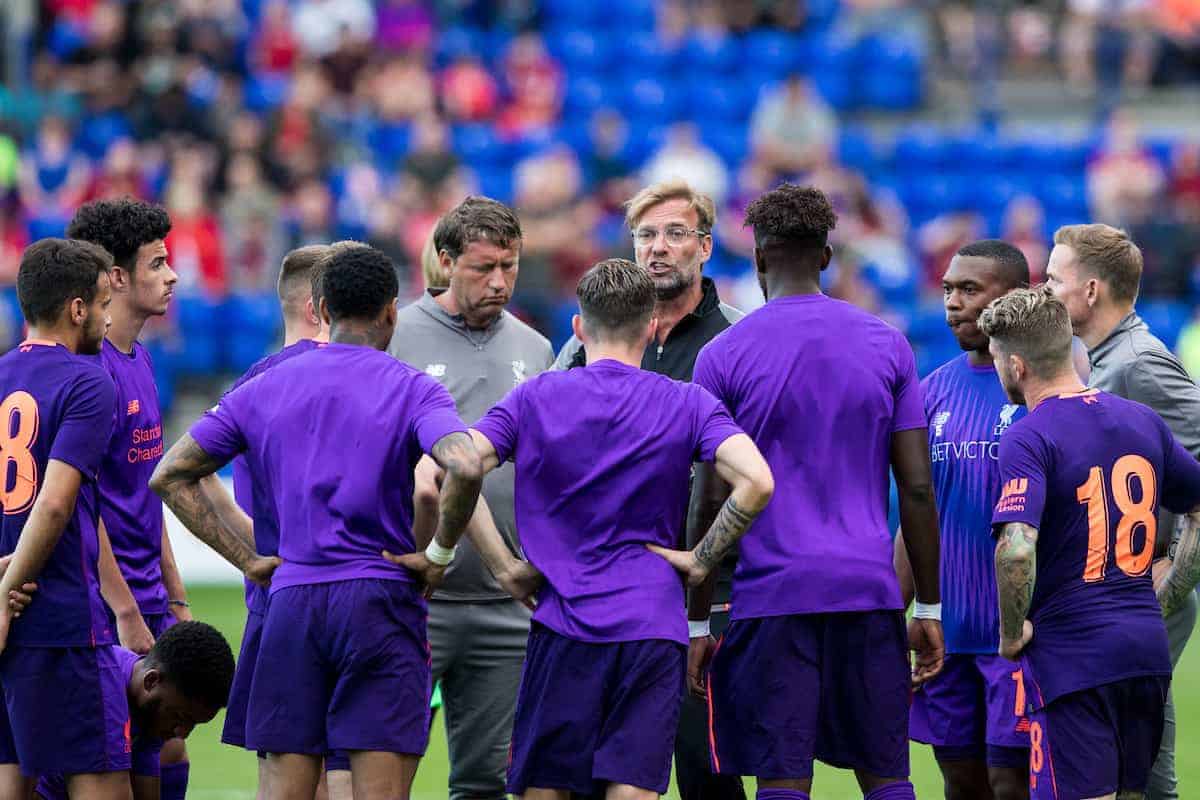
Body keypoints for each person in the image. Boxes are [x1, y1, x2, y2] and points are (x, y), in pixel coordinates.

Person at [150, 244, 484, 800]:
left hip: (292, 601)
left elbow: (170, 474)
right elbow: (466, 464)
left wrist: (249, 561)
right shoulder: (413, 387)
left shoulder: (263, 386)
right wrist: (438, 556)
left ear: (321, 309)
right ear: (392, 312)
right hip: (380, 601)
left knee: (283, 788)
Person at [467, 258, 774, 799]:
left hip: (563, 623)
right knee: (632, 791)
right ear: (652, 326)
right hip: (652, 626)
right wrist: (701, 558)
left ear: (579, 329)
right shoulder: (687, 401)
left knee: (546, 788)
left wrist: (504, 566)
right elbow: (757, 481)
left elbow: (460, 467)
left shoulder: (535, 397)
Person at [692, 184, 944, 800]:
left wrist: (696, 620)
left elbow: (704, 502)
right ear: (827, 256)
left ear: (757, 259)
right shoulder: (887, 342)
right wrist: (930, 609)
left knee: (783, 774)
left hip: (771, 597)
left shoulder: (721, 355)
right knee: (886, 773)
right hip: (866, 591)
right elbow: (915, 487)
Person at [554, 179, 745, 800]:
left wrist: (708, 571)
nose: (658, 248)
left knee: (707, 778)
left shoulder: (738, 341)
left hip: (707, 599)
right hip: (600, 597)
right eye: (646, 235)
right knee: (591, 776)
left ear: (706, 247)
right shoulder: (583, 350)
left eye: (674, 234)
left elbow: (756, 476)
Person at [981, 286, 1200, 800]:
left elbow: (1015, 548)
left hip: (1074, 659)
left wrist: (1012, 633)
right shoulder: (1140, 420)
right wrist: (1164, 595)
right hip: (1145, 652)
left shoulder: (1029, 435)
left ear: (1016, 366)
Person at [389, 198, 554, 800]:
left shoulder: (536, 350)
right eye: (484, 268)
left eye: (509, 266)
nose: (500, 282)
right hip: (410, 599)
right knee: (382, 773)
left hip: (504, 604)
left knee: (487, 782)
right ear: (445, 260)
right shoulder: (396, 334)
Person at [1045, 223, 1200, 800]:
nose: (1045, 289)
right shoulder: (1099, 360)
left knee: (1133, 771)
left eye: (1054, 279)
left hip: (1140, 592)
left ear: (1089, 291)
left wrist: (1174, 579)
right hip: (1110, 591)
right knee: (1134, 769)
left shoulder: (1138, 363)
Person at [65, 198, 192, 800]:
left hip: (148, 599)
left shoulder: (141, 357)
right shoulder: (91, 374)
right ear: (116, 278)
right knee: (109, 766)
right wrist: (127, 609)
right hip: (105, 605)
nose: (173, 276)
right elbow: (81, 508)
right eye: (159, 263)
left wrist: (174, 596)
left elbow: (146, 492)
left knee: (171, 740)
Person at [896, 240, 1032, 800]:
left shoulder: (1039, 390)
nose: (953, 302)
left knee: (1011, 783)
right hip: (946, 635)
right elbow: (915, 513)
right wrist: (888, 616)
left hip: (1017, 637)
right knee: (960, 781)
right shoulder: (931, 392)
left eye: (970, 290)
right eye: (949, 289)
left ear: (1016, 297)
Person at [0, 238, 124, 799]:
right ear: (78, 309)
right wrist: (6, 593)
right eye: (102, 304)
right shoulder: (88, 381)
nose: (105, 316)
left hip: (6, 612)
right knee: (101, 782)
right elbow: (53, 502)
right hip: (61, 618)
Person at [218, 245, 342, 797]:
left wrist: (255, 551)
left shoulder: (252, 382)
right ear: (321, 307)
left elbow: (184, 474)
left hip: (277, 598)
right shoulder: (358, 377)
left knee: (286, 771)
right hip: (353, 595)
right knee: (348, 769)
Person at [34, 621, 236, 800]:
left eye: (194, 725)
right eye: (180, 718)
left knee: (173, 750)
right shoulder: (99, 695)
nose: (182, 732)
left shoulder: (152, 708)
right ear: (151, 680)